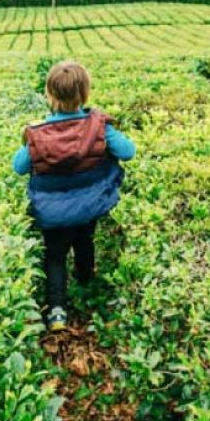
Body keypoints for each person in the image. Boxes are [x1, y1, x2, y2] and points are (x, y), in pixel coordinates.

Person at [13, 60, 135, 332]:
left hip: (52, 214)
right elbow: (128, 151)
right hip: (90, 206)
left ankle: (57, 310)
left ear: (49, 95)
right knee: (85, 241)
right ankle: (85, 284)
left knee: (55, 256)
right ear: (85, 93)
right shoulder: (100, 126)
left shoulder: (37, 133)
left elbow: (18, 166)